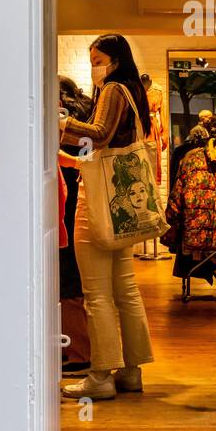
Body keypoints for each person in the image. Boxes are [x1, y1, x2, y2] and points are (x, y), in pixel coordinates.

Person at [58, 35, 156, 400]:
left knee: (96, 293)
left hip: (97, 201)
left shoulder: (113, 89)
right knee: (125, 290)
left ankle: (100, 376)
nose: (93, 66)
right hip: (121, 203)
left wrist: (61, 122)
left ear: (114, 60)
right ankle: (131, 370)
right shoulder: (132, 90)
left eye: (97, 59)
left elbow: (99, 136)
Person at [57, 76, 94, 374]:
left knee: (65, 272)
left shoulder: (58, 118)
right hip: (83, 194)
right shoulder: (87, 112)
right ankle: (76, 347)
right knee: (75, 270)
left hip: (61, 195)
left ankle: (78, 351)